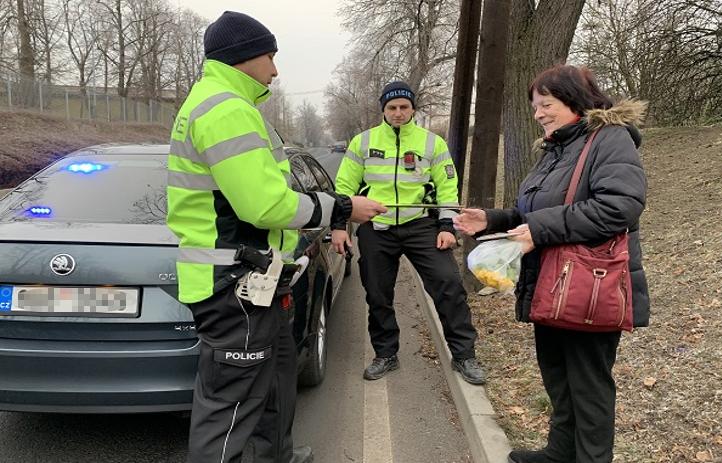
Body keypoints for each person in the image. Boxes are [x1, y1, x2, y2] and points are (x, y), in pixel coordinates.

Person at [166, 11, 386, 463]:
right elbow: (265, 205)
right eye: (269, 55)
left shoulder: (227, 104)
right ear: (243, 56)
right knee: (229, 409)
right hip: (234, 284)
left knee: (275, 382)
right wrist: (342, 207)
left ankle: (277, 456)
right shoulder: (226, 109)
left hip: (257, 279)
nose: (275, 68)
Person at [454, 65, 649, 463]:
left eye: (547, 104)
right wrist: (492, 219)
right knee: (559, 379)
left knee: (589, 387)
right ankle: (560, 453)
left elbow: (619, 207)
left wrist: (537, 229)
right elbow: (535, 212)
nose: (539, 114)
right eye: (535, 107)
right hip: (552, 284)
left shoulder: (609, 140)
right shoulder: (557, 149)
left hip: (588, 287)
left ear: (576, 101)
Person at [332, 81, 486, 385]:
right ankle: (386, 354)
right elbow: (344, 190)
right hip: (378, 227)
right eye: (392, 108)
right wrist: (339, 226)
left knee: (448, 285)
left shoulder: (432, 143)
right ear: (384, 110)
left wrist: (446, 226)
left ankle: (465, 356)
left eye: (404, 107)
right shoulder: (363, 142)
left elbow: (447, 188)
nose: (398, 113)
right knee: (377, 294)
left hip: (421, 226)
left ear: (413, 108)